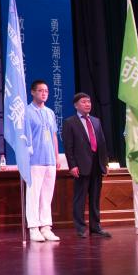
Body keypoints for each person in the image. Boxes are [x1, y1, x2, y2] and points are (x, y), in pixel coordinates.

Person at [62, 92, 111, 239]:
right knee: (80, 198)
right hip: (81, 165)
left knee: (95, 197)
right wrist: (72, 165)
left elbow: (102, 143)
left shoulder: (96, 121)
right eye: (83, 102)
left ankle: (96, 227)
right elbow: (68, 146)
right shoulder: (70, 122)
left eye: (89, 102)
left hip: (97, 164)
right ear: (76, 105)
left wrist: (105, 163)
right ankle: (80, 228)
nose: (87, 104)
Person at [24, 80, 60, 242]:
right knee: (33, 195)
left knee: (47, 195)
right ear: (33, 92)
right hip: (34, 160)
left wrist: (56, 156)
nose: (44, 93)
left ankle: (46, 227)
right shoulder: (26, 112)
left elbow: (53, 135)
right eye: (40, 91)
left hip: (49, 159)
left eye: (46, 91)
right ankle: (33, 228)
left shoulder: (50, 112)